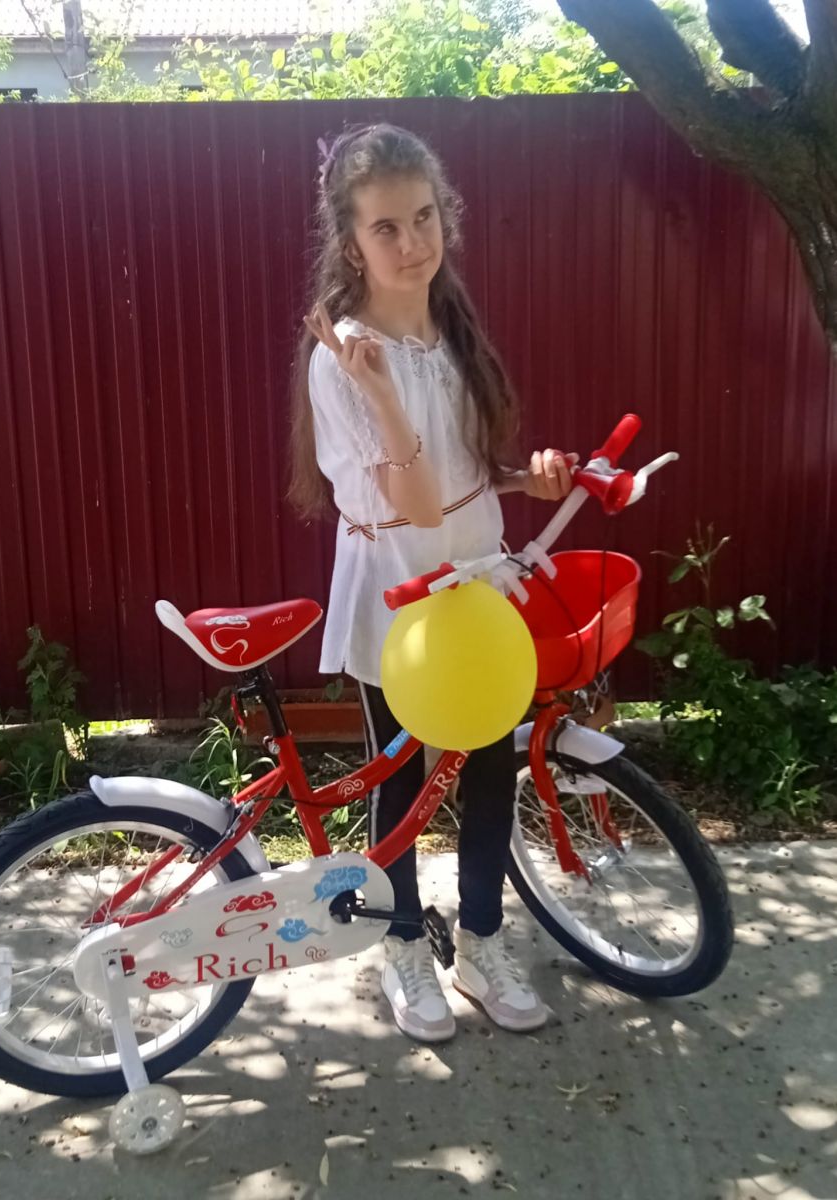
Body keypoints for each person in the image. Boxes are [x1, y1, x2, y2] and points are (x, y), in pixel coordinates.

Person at [289, 123, 576, 1044]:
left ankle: (482, 943)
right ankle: (403, 942)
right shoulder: (343, 359)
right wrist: (376, 392)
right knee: (404, 772)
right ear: (351, 244)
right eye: (386, 227)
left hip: (475, 581)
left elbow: (459, 475)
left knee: (489, 762)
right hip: (401, 590)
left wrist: (525, 479)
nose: (412, 243)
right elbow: (412, 506)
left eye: (423, 218)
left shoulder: (449, 332)